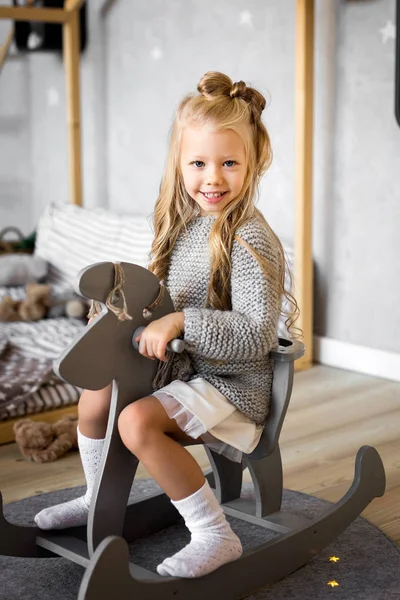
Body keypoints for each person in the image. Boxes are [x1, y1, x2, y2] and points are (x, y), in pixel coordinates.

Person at [34, 71, 299, 578]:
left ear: (254, 162)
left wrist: (181, 320)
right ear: (179, 164)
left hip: (232, 385)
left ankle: (215, 534)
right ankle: (97, 497)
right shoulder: (185, 226)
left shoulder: (250, 239)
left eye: (228, 163)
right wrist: (122, 314)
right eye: (198, 163)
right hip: (184, 368)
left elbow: (256, 335)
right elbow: (160, 302)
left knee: (136, 422)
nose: (212, 178)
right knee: (96, 393)